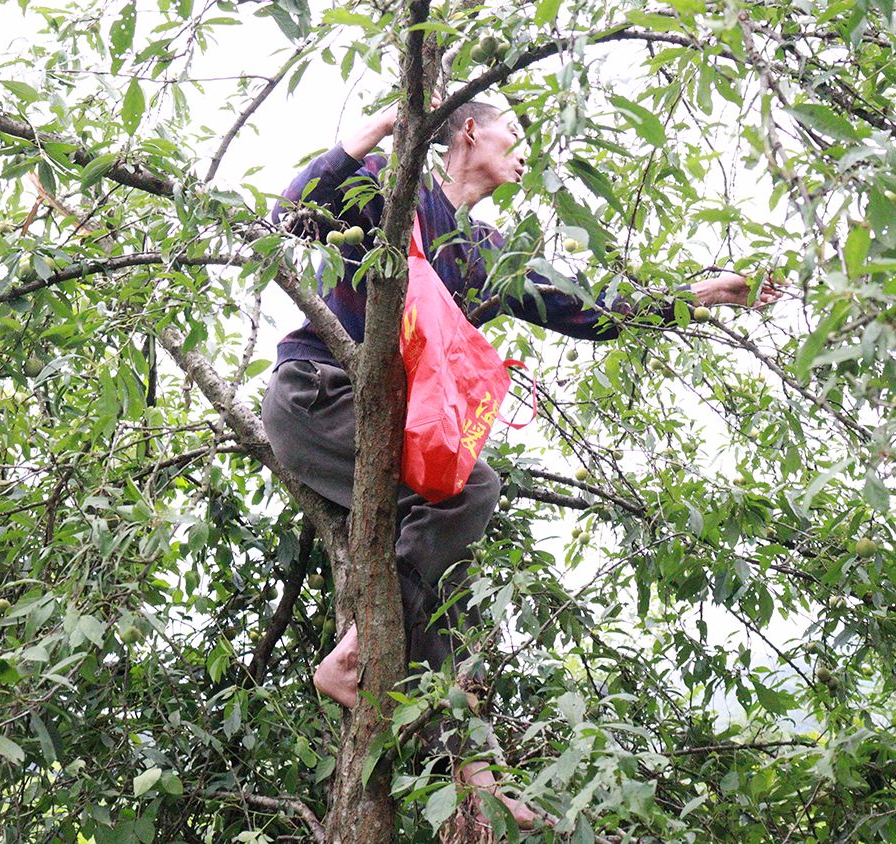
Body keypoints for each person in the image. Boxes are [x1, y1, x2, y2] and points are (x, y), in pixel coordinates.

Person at [260, 98, 782, 827]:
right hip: (318, 397)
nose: (526, 147)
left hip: (377, 429)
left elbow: (594, 311)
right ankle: (365, 666)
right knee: (471, 484)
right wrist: (385, 123)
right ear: (468, 130)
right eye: (516, 130)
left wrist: (698, 297)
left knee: (451, 565)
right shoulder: (387, 186)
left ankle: (437, 734)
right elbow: (289, 215)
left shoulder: (488, 256)